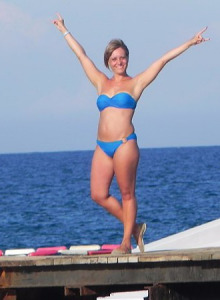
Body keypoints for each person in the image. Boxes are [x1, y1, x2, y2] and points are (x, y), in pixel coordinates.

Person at [53, 13, 209, 254]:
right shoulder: (100, 82)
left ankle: (126, 243)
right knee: (98, 194)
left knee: (127, 193)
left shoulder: (135, 83)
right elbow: (81, 55)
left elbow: (163, 60)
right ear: (108, 61)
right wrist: (64, 29)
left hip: (125, 144)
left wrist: (189, 43)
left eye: (123, 57)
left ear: (127, 59)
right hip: (102, 146)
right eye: (115, 58)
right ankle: (136, 228)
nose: (119, 61)